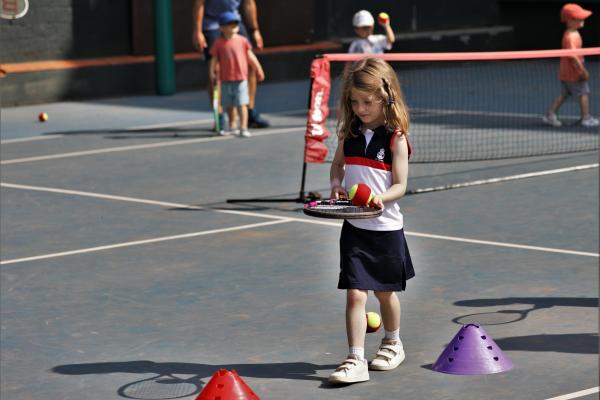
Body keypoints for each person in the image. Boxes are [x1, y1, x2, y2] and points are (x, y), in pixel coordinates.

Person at [328, 57, 415, 384]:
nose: (360, 108)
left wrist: (381, 197)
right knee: (355, 294)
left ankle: (393, 342)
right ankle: (355, 359)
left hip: (386, 231)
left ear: (385, 97)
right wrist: (336, 184)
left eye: (367, 101)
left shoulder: (396, 139)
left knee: (385, 295)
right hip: (354, 229)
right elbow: (337, 166)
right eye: (354, 101)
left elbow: (400, 185)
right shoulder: (348, 134)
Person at [193, 0, 270, 129]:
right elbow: (199, 4)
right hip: (212, 24)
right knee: (216, 71)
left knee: (250, 64)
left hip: (234, 22)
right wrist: (198, 31)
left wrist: (254, 30)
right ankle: (219, 116)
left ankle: (250, 112)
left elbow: (249, 3)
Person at [542, 3, 599, 128]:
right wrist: (582, 71)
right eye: (579, 18)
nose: (583, 20)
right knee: (584, 93)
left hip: (566, 73)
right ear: (570, 20)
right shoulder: (571, 37)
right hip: (574, 73)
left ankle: (550, 114)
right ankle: (586, 118)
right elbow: (572, 56)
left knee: (564, 94)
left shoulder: (572, 34)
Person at [209, 11, 265, 137]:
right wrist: (212, 73)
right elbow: (214, 60)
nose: (234, 27)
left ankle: (244, 127)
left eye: (235, 24)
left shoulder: (243, 41)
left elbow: (251, 57)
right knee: (229, 105)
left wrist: (258, 69)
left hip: (241, 80)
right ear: (222, 28)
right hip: (225, 80)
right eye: (230, 25)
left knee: (242, 104)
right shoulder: (218, 43)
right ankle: (232, 125)